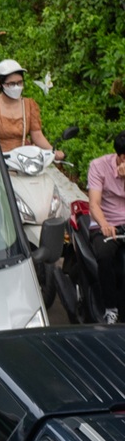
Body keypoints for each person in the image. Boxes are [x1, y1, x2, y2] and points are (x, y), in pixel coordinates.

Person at [85, 131, 125, 323]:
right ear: (122, 157)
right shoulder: (99, 166)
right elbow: (94, 204)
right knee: (105, 256)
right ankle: (111, 309)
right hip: (106, 224)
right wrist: (105, 225)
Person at [0, 59, 57, 157]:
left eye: (19, 83)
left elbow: (37, 135)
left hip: (23, 159)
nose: (16, 87)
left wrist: (53, 151)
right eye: (11, 84)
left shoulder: (29, 105)